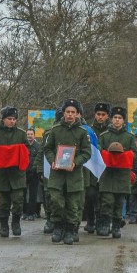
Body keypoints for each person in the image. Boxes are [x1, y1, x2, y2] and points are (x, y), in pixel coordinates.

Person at [43, 99, 92, 244]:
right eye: (68, 112)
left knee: (73, 205)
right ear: (64, 113)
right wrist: (53, 160)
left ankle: (71, 230)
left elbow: (86, 153)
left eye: (73, 112)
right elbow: (48, 148)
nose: (70, 115)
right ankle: (58, 227)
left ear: (77, 114)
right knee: (56, 202)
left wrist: (75, 163)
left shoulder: (82, 132)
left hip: (74, 175)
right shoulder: (55, 130)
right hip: (57, 174)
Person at [0, 106, 30, 237]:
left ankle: (16, 222)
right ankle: (4, 225)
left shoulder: (22, 134)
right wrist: (4, 154)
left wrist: (15, 154)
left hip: (17, 174)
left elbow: (27, 152)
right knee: (3, 203)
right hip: (1, 175)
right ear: (3, 119)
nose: (12, 121)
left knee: (18, 201)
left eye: (14, 119)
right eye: (9, 119)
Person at [97, 106, 136, 238]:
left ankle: (116, 226)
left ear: (123, 120)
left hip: (122, 175)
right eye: (115, 117)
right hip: (107, 174)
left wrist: (123, 156)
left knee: (119, 201)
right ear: (111, 119)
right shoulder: (104, 136)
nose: (117, 120)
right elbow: (99, 152)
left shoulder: (130, 137)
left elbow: (134, 154)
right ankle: (105, 225)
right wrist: (108, 156)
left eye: (120, 118)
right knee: (107, 200)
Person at [83, 102, 111, 234]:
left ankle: (102, 222)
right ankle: (90, 220)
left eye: (103, 115)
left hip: (107, 169)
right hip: (91, 168)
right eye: (98, 114)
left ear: (107, 116)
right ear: (95, 115)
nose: (100, 117)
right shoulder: (88, 130)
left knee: (104, 197)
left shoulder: (110, 131)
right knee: (90, 195)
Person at [36, 107, 64, 234]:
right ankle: (50, 219)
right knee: (48, 196)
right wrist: (40, 170)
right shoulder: (48, 133)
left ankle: (62, 221)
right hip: (49, 169)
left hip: (66, 170)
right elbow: (42, 152)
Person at [23, 128, 40, 221]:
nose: (29, 136)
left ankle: (31, 213)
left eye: (31, 134)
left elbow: (39, 159)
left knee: (33, 194)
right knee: (23, 194)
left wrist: (35, 169)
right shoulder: (23, 146)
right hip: (23, 173)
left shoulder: (38, 146)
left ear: (34, 135)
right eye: (28, 134)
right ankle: (24, 212)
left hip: (34, 173)